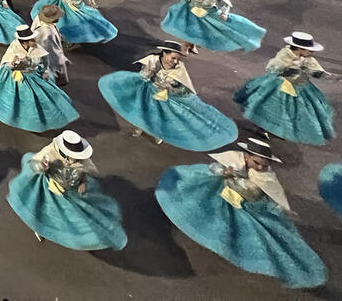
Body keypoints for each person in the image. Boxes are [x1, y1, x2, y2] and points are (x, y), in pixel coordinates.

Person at [155, 138, 327, 289]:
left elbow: (271, 196)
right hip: (217, 194)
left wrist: (277, 208)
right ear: (246, 156)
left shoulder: (267, 177)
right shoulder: (233, 159)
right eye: (256, 162)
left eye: (264, 164)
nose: (260, 167)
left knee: (253, 235)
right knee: (203, 208)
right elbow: (213, 167)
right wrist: (224, 172)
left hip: (246, 207)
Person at [98, 40, 237, 150]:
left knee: (159, 115)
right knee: (143, 111)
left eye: (177, 59)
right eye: (173, 58)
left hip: (166, 97)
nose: (175, 61)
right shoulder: (151, 61)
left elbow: (184, 89)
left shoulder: (179, 68)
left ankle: (157, 132)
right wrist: (147, 73)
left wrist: (171, 87)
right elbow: (141, 77)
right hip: (149, 91)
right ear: (164, 53)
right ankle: (139, 127)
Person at [6, 130, 126, 250]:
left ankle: (90, 238)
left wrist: (83, 182)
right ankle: (39, 228)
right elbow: (33, 165)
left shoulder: (81, 158)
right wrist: (42, 166)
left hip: (72, 190)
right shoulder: (50, 152)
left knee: (77, 218)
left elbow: (83, 170)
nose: (77, 157)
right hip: (52, 190)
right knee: (44, 212)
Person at [234, 31, 336, 145]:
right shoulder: (285, 55)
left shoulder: (308, 59)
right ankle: (263, 129)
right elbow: (275, 68)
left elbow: (315, 71)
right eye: (310, 50)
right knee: (272, 109)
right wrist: (294, 68)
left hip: (300, 87)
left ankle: (279, 130)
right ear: (299, 48)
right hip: (280, 87)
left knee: (291, 112)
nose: (312, 53)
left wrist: (329, 76)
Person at [0, 24, 78, 132]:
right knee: (22, 101)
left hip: (34, 76)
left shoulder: (37, 48)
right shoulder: (14, 47)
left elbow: (44, 60)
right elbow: (6, 62)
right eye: (31, 39)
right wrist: (12, 64)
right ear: (24, 42)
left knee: (44, 98)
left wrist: (46, 71)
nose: (34, 40)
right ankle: (26, 121)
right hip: (14, 78)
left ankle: (41, 121)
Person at [161, 0, 265, 52]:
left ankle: (192, 45)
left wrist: (224, 13)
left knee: (207, 30)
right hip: (193, 10)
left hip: (208, 13)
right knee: (191, 28)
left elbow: (225, 4)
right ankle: (187, 45)